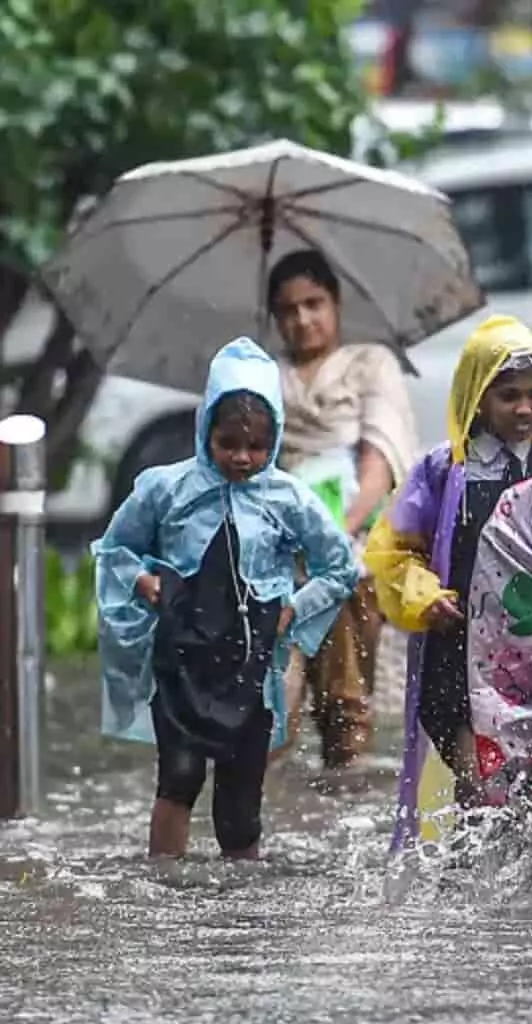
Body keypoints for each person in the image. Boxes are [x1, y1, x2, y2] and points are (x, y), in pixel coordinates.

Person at [95, 337, 358, 859]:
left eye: (256, 446)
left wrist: (294, 611)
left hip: (251, 667)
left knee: (240, 809)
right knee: (179, 778)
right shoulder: (164, 490)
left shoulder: (288, 498)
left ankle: (240, 918)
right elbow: (114, 547)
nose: (242, 457)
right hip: (181, 662)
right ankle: (165, 889)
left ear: (276, 438)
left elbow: (340, 566)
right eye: (228, 442)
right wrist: (144, 582)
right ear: (204, 432)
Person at [364, 316, 532, 845]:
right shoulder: (442, 473)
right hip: (457, 657)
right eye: (509, 396)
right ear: (478, 399)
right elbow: (392, 554)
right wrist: (425, 598)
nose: (526, 408)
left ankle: (522, 906)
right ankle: (469, 896)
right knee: (478, 788)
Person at [268, 248, 418, 769]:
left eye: (314, 303)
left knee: (343, 699)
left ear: (335, 305)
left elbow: (381, 462)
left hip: (353, 541)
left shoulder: (368, 364)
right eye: (289, 309)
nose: (303, 318)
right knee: (269, 713)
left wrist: (334, 534)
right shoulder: (265, 379)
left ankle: (342, 780)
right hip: (278, 549)